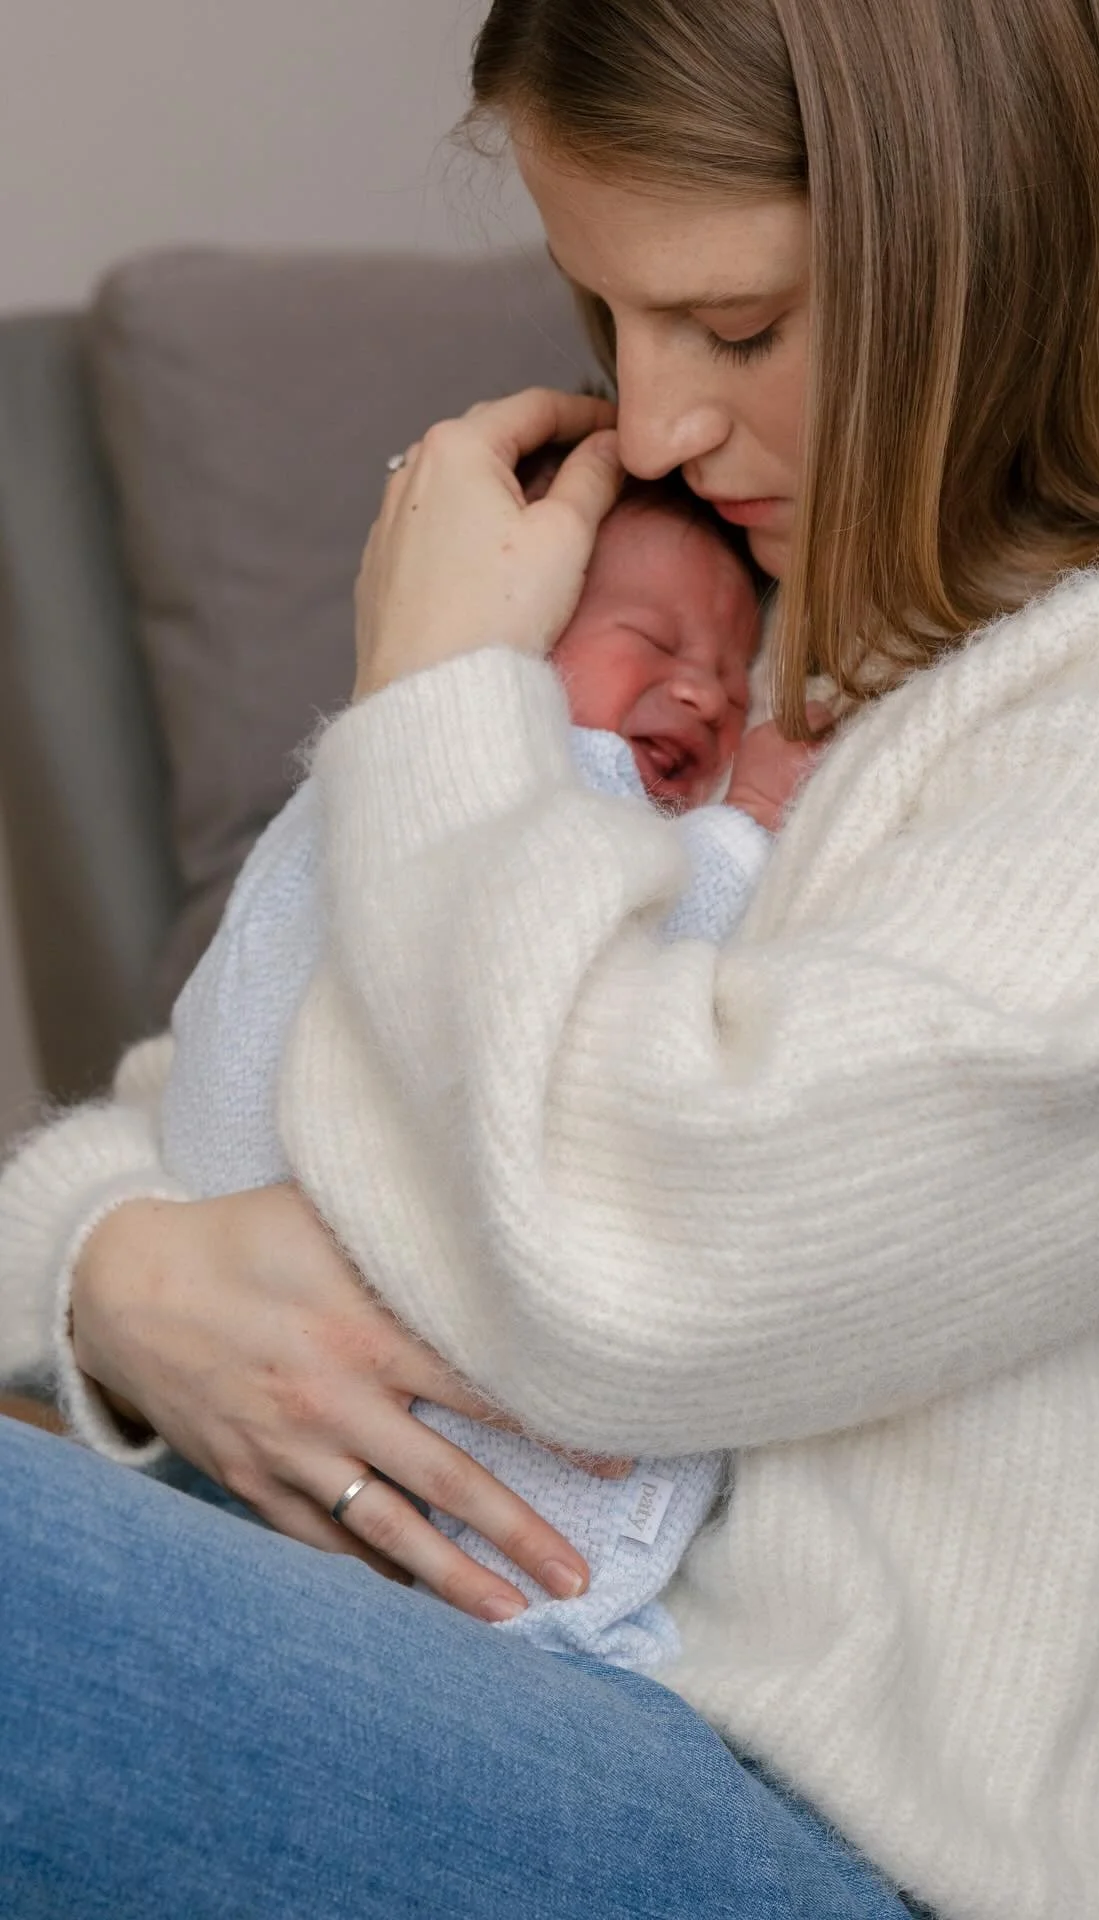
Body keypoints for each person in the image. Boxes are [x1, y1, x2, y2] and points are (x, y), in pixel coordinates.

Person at [4, 1, 1099, 1915]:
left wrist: (436, 699)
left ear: (997, 237)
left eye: (738, 327)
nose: (657, 421)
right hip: (479, 1673)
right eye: (612, 319)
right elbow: (219, 1099)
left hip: (842, 1837)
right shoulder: (737, 623)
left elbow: (635, 1278)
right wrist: (118, 1278)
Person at [159, 463, 827, 1670]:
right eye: (652, 641)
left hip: (415, 1557)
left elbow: (620, 1060)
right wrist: (742, 835)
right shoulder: (490, 789)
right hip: (259, 1399)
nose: (705, 692)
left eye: (736, 679)